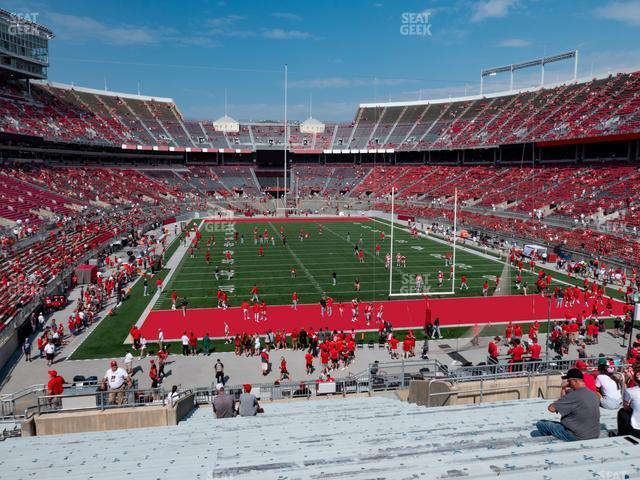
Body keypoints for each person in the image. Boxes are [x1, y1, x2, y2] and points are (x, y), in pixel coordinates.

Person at [531, 368, 600, 441]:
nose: (567, 383)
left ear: (574, 381)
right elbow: (566, 401)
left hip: (577, 436)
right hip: (594, 434)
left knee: (541, 424)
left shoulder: (573, 395)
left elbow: (551, 409)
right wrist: (564, 390)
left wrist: (562, 389)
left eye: (568, 381)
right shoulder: (593, 394)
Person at [616, 365, 640, 437]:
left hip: (637, 429)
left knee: (622, 412)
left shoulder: (630, 391)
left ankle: (622, 435)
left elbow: (625, 407)